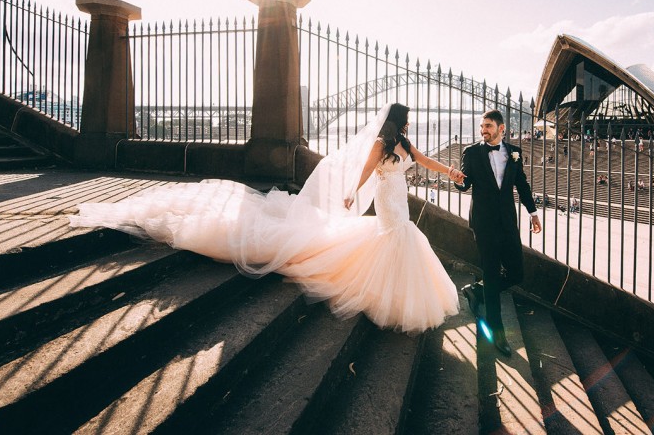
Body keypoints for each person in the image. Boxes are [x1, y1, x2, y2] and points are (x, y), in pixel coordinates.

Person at [71, 103, 460, 334]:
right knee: (389, 236)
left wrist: (452, 174)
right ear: (398, 120)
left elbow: (425, 162)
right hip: (387, 200)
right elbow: (363, 170)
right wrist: (353, 192)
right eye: (407, 119)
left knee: (400, 237)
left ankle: (394, 289)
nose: (409, 124)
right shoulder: (380, 145)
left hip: (399, 201)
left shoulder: (406, 144)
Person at [455, 109, 541, 356]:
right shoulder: (471, 152)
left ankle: (478, 291)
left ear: (501, 129)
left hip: (508, 223)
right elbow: (465, 182)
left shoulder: (515, 152)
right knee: (492, 274)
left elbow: (522, 184)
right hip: (484, 224)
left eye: (489, 126)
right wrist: (458, 180)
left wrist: (533, 213)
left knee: (516, 273)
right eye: (482, 126)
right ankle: (498, 334)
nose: (484, 130)